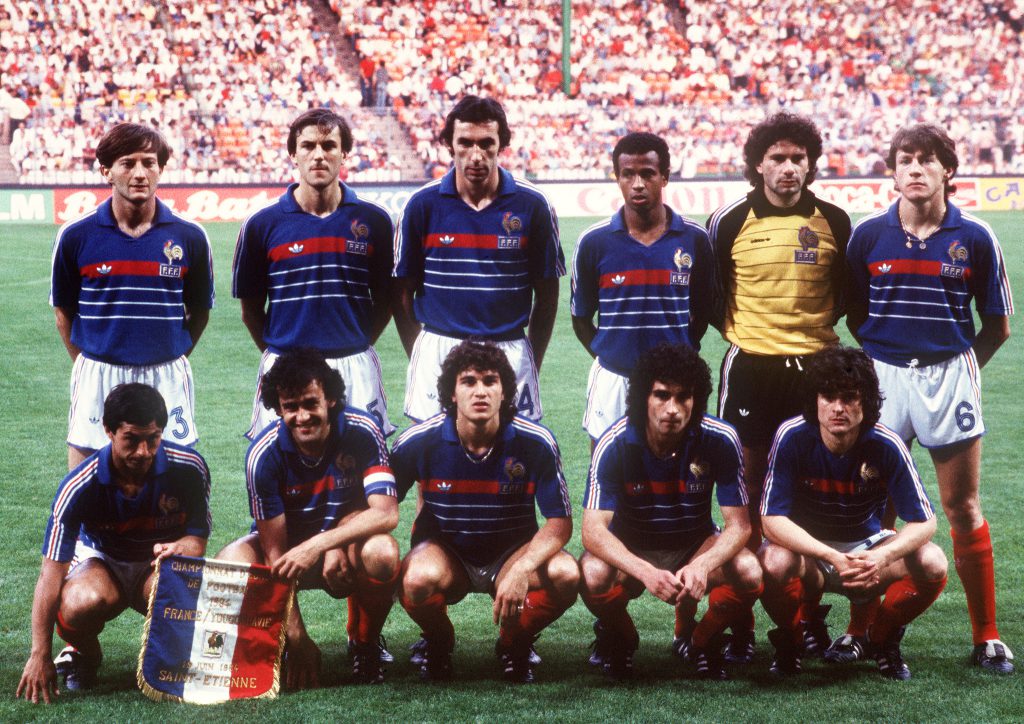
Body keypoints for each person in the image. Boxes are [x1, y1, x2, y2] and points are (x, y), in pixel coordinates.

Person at [846, 123, 1015, 674]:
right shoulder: (868, 235)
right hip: (884, 378)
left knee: (960, 506)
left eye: (927, 160)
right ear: (892, 171)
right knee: (875, 508)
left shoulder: (977, 236)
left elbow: (996, 325)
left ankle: (987, 635)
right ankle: (857, 631)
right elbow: (855, 313)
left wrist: (961, 369)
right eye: (905, 159)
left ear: (949, 170)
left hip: (949, 377)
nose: (915, 169)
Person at [706, 112, 851, 662]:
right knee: (741, 487)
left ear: (809, 163)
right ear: (758, 164)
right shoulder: (728, 221)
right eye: (778, 158)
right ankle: (739, 617)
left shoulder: (835, 221)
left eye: (798, 158)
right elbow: (714, 295)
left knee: (808, 489)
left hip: (816, 368)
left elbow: (845, 298)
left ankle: (808, 615)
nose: (789, 168)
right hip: (751, 368)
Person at [391, 340, 578, 682]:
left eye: (490, 381)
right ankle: (438, 640)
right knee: (416, 579)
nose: (480, 391)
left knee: (567, 574)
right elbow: (381, 507)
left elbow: (560, 525)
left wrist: (522, 568)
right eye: (469, 381)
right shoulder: (418, 442)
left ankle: (514, 642)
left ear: (505, 392)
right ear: (451, 392)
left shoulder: (536, 442)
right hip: (448, 555)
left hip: (510, 553)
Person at [759, 346, 947, 680]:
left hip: (866, 552)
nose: (837, 408)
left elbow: (925, 521)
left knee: (933, 562)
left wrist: (882, 557)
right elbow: (771, 520)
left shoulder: (887, 444)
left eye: (849, 398)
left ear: (868, 402)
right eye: (828, 397)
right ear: (814, 400)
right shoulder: (792, 436)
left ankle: (882, 636)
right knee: (773, 562)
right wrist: (829, 554)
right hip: (811, 553)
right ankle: (792, 638)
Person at [16, 384, 211, 704]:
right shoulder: (79, 485)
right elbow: (50, 573)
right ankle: (85, 653)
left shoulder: (189, 467)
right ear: (108, 431)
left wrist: (181, 549)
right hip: (103, 563)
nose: (143, 452)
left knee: (185, 589)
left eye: (153, 438)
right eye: (131, 440)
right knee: (79, 602)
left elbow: (197, 540)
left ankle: (170, 659)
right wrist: (40, 654)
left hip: (156, 566)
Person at [216, 349, 400, 686]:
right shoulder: (263, 455)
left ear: (330, 399)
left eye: (310, 403)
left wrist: (322, 544)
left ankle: (365, 642)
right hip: (288, 549)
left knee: (382, 552)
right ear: (278, 409)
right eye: (291, 407)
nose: (302, 416)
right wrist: (298, 638)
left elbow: (385, 513)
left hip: (342, 545)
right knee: (231, 562)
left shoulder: (362, 429)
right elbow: (276, 554)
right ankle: (274, 645)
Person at [580, 343, 762, 680]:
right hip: (633, 549)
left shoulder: (721, 439)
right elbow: (592, 530)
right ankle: (621, 638)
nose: (673, 409)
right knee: (592, 574)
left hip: (694, 545)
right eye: (662, 395)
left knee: (750, 570)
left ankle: (701, 639)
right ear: (643, 398)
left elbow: (739, 526)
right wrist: (644, 571)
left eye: (683, 397)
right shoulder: (614, 442)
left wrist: (702, 565)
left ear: (697, 399)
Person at [50, 122, 214, 470]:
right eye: (128, 163)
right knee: (88, 484)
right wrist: (87, 361)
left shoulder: (190, 236)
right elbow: (64, 309)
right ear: (106, 171)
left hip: (166, 375)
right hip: (99, 376)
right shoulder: (76, 235)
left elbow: (199, 310)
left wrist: (173, 352)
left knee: (175, 486)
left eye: (149, 163)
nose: (140, 173)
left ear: (160, 169)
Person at [393, 95, 564, 423]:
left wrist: (532, 359)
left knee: (513, 461)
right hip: (439, 349)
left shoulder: (533, 206)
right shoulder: (422, 205)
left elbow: (547, 296)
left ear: (502, 144)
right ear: (448, 144)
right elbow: (401, 292)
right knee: (435, 458)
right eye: (465, 143)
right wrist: (422, 354)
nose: (475, 155)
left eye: (486, 143)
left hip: (508, 348)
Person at [232, 108, 395, 440]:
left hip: (354, 365)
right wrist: (285, 354)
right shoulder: (262, 224)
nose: (318, 155)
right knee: (284, 471)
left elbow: (387, 301)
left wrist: (356, 343)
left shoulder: (375, 221)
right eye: (308, 146)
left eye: (329, 145)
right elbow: (250, 311)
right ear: (293, 154)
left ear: (343, 153)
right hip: (285, 366)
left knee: (361, 469)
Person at [571, 132, 715, 443]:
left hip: (674, 382)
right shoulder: (594, 242)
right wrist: (609, 354)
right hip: (614, 378)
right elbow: (580, 318)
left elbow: (704, 309)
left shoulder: (694, 239)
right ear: (617, 178)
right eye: (628, 174)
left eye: (647, 173)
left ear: (665, 177)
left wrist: (683, 347)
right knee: (607, 470)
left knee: (673, 473)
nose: (638, 183)